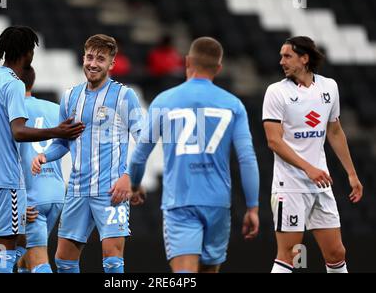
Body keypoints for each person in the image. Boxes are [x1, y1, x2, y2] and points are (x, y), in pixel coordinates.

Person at [125, 37, 260, 273]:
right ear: (218, 68)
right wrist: (253, 208)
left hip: (181, 200)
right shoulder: (233, 104)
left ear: (187, 62)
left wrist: (135, 184)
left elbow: (139, 155)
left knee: (184, 274)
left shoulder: (164, 101)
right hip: (217, 202)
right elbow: (247, 159)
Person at [0, 26, 84, 273]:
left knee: (16, 247)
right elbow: (19, 131)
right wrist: (57, 132)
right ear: (27, 53)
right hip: (6, 180)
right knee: (7, 250)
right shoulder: (13, 85)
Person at [31, 34, 143, 273]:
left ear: (111, 64)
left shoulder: (125, 96)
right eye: (90, 57)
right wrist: (46, 156)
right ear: (83, 57)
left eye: (100, 59)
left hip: (111, 190)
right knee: (64, 261)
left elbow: (144, 139)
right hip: (77, 190)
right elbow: (63, 140)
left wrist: (129, 176)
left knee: (113, 262)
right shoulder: (70, 96)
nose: (93, 63)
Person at [262, 36, 364, 273]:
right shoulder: (276, 92)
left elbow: (335, 131)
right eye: (281, 56)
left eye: (287, 56)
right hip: (289, 184)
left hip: (320, 183)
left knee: (336, 252)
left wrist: (352, 174)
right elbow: (273, 141)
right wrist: (308, 168)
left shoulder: (329, 87)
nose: (281, 61)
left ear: (304, 58)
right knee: (288, 255)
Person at [14, 66, 65, 273]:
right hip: (56, 193)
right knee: (22, 257)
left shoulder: (11, 113)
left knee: (37, 259)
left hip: (29, 195)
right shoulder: (56, 109)